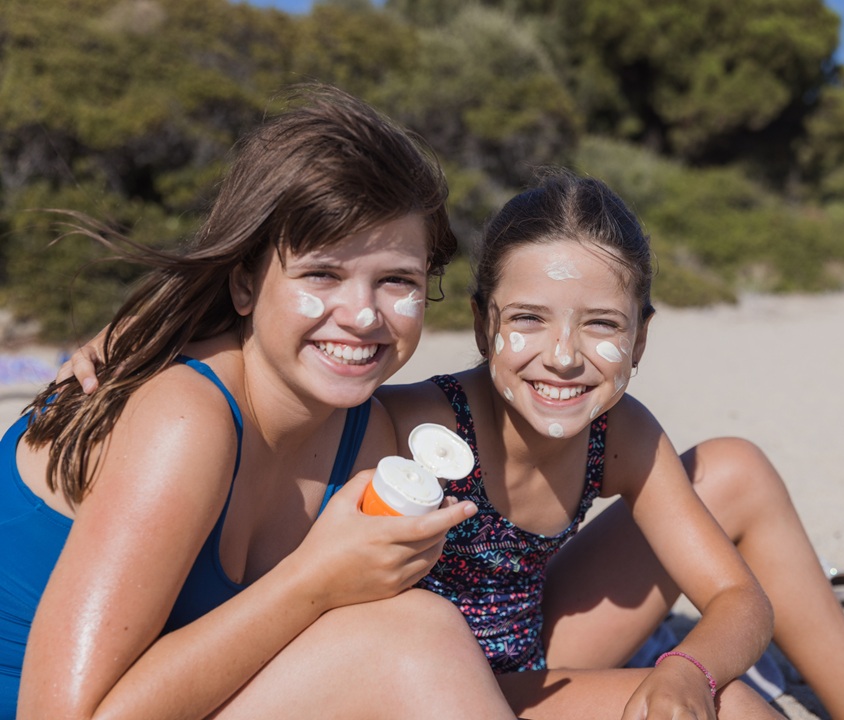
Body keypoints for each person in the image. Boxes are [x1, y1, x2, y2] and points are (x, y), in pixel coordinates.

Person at [61, 170, 844, 717]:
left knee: (734, 477)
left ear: (642, 337)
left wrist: (688, 669)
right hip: (421, 682)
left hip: (536, 654)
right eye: (528, 320)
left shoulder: (621, 433)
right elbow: (286, 376)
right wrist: (141, 341)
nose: (563, 356)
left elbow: (738, 601)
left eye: (602, 325)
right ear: (484, 325)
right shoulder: (410, 423)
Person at [0, 84, 520, 719]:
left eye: (396, 280)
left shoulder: (366, 436)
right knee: (417, 636)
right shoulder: (183, 420)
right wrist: (315, 582)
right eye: (322, 274)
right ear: (244, 283)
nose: (363, 315)